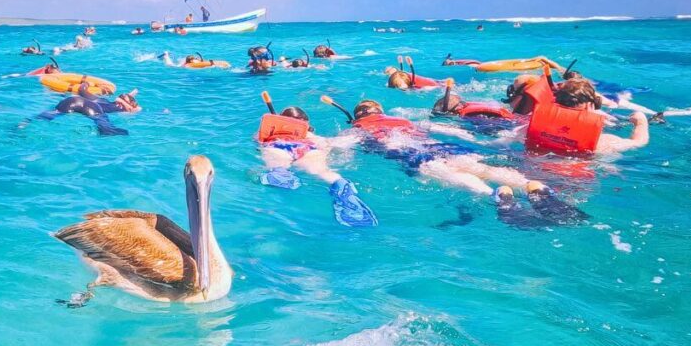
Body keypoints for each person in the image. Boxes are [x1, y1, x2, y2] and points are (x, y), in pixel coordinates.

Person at [339, 98, 540, 197]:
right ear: (380, 110)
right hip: (441, 146)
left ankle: (494, 195)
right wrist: (482, 142)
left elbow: (340, 146)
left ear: (357, 117)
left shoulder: (359, 128)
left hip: (408, 152)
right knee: (485, 169)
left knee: (453, 174)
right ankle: (533, 187)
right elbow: (446, 129)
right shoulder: (403, 120)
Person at [257, 104, 377, 227]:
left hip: (278, 145)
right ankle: (341, 185)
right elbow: (327, 143)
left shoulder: (271, 131)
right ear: (306, 123)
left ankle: (280, 173)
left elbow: (259, 141)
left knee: (278, 166)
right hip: (307, 147)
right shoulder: (309, 135)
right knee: (324, 172)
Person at [525, 78, 649, 155]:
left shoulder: (529, 128)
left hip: (533, 170)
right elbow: (638, 142)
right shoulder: (600, 142)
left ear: (556, 102)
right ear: (590, 105)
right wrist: (641, 122)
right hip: (576, 182)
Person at [35, 85, 141, 136]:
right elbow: (135, 109)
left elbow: (82, 90)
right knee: (103, 121)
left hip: (70, 100)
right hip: (91, 109)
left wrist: (86, 83)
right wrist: (127, 102)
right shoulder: (121, 107)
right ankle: (107, 132)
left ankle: (27, 122)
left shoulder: (100, 99)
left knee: (51, 114)